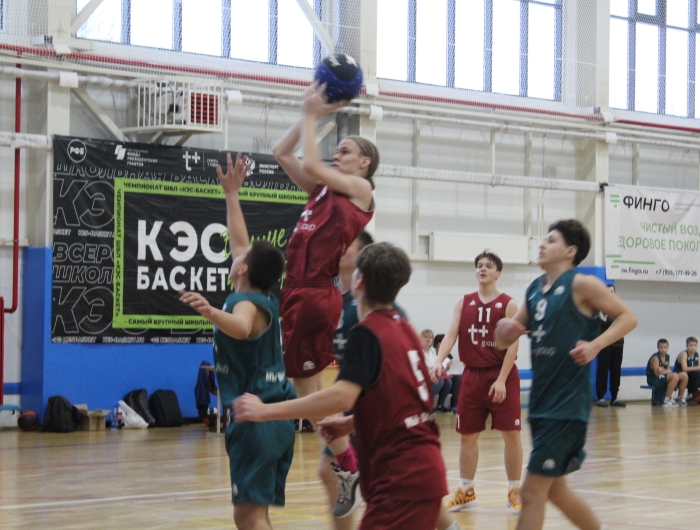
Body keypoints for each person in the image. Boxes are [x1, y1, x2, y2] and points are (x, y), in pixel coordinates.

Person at [234, 242, 450, 530]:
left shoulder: (367, 332)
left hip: (400, 474)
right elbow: (401, 400)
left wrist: (265, 411)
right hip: (424, 465)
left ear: (358, 281)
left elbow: (341, 396)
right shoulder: (405, 328)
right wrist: (351, 423)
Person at [272, 82, 376, 516]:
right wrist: (307, 113)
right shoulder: (321, 193)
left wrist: (315, 115)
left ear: (365, 163)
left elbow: (312, 162)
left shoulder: (361, 191)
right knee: (310, 388)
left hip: (315, 291)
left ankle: (348, 461)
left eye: (347, 150)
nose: (339, 154)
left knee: (307, 389)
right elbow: (282, 153)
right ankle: (345, 457)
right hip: (297, 290)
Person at [495, 219, 637, 530]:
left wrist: (596, 344)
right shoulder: (535, 289)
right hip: (541, 404)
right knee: (557, 492)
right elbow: (505, 339)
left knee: (531, 493)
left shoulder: (582, 284)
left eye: (551, 240)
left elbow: (628, 317)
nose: (542, 244)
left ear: (570, 251)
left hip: (567, 405)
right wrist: (504, 330)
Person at [179, 153, 295, 530]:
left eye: (240, 256)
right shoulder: (259, 294)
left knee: (247, 515)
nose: (236, 251)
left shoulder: (244, 304)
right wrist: (232, 195)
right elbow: (240, 242)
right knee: (256, 513)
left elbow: (242, 328)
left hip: (256, 418)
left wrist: (211, 311)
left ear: (242, 268)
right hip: (275, 416)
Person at [430, 251, 523, 514]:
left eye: (488, 266)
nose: (482, 269)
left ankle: (514, 490)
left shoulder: (508, 304)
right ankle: (466, 491)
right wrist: (438, 361)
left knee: (511, 435)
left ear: (498, 274)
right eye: (479, 265)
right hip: (472, 377)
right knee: (467, 436)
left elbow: (513, 346)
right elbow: (450, 335)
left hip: (501, 375)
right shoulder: (464, 301)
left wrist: (502, 380)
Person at [595, 285, 626, 407]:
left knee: (616, 371)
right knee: (602, 370)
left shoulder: (620, 306)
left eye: (612, 291)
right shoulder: (599, 307)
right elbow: (603, 322)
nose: (610, 293)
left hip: (618, 344)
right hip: (605, 344)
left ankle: (614, 397)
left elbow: (624, 321)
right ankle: (601, 397)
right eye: (608, 292)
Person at [647, 339, 684, 406]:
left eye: (665, 347)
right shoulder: (655, 357)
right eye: (661, 347)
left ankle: (680, 398)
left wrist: (664, 370)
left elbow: (668, 370)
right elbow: (657, 373)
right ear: (658, 348)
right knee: (675, 376)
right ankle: (667, 399)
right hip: (653, 379)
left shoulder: (667, 356)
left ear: (667, 348)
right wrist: (667, 371)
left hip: (662, 376)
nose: (663, 349)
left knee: (684, 376)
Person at [423, 329, 453, 412]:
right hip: (423, 376)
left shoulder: (433, 353)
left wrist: (446, 368)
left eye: (430, 337)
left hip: (432, 375)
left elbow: (437, 368)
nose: (428, 339)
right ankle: (425, 404)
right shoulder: (419, 351)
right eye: (426, 337)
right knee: (439, 381)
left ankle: (440, 405)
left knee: (448, 382)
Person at [674, 337, 700, 403]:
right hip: (679, 375)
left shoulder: (697, 354)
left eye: (694, 345)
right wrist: (697, 367)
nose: (692, 347)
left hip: (690, 376)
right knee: (694, 373)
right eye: (690, 345)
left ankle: (695, 394)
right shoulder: (684, 353)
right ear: (686, 346)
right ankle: (688, 396)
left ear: (697, 346)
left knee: (695, 374)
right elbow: (684, 369)